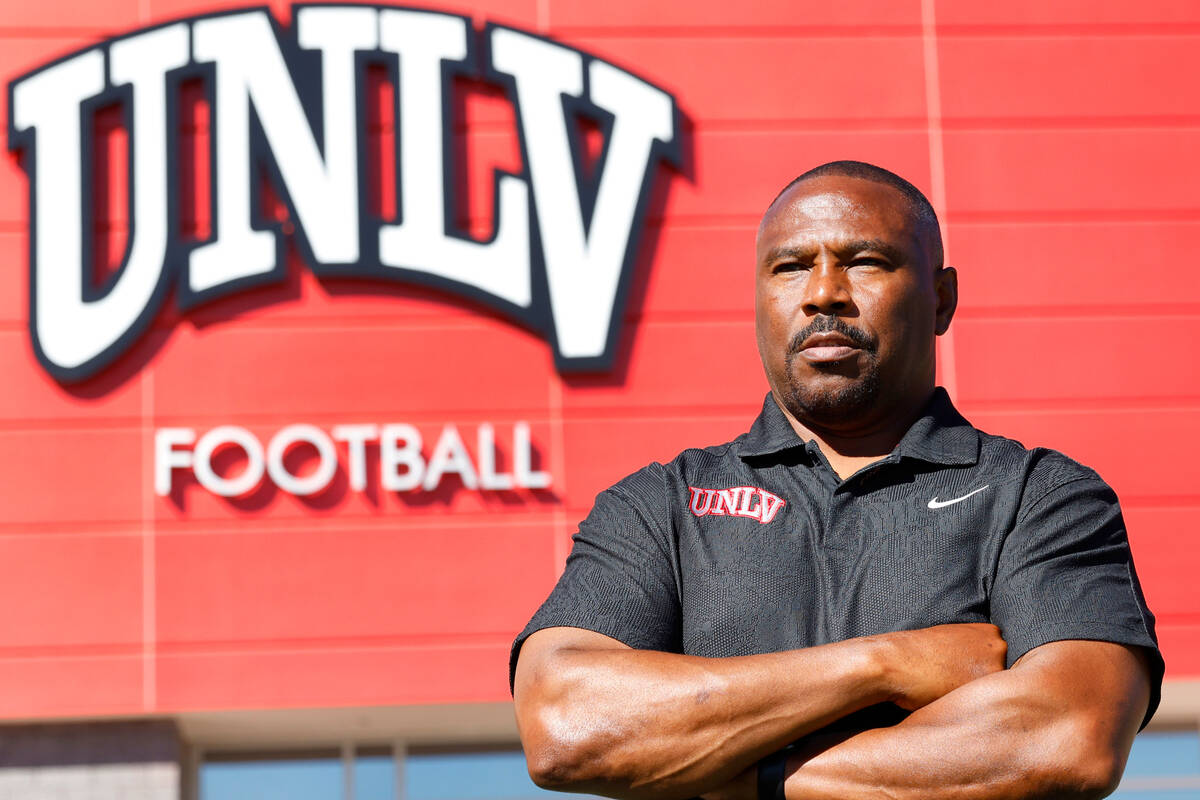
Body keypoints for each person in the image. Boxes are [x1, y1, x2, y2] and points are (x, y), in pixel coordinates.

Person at [509, 161, 1163, 800]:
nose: (823, 291)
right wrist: (884, 665)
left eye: (866, 262)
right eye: (791, 267)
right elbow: (565, 723)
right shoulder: (659, 506)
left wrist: (744, 778)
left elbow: (1071, 736)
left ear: (942, 299)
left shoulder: (1040, 497)